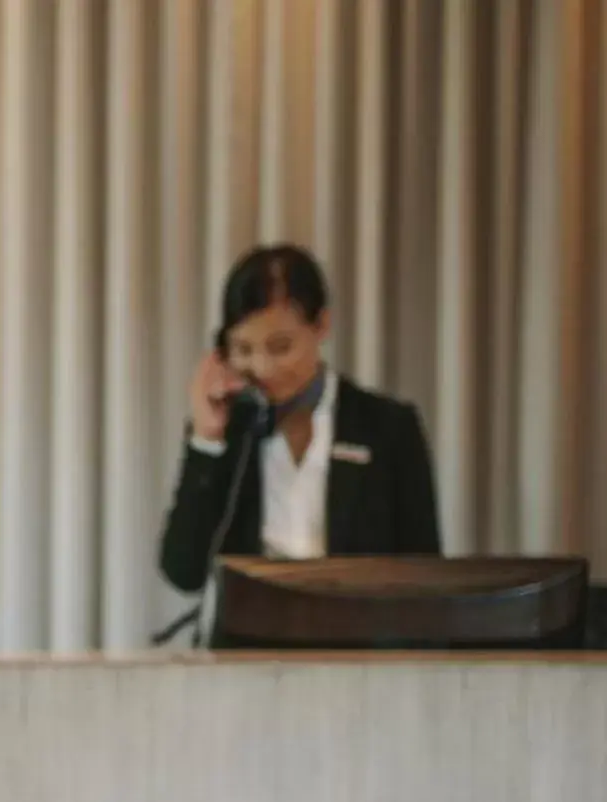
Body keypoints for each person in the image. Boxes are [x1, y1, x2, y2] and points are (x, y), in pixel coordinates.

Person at [159, 244, 442, 595]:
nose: (263, 368)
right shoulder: (228, 429)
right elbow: (183, 573)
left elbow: (425, 576)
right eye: (244, 349)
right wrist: (206, 439)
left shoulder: (388, 427)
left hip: (358, 641)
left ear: (321, 324)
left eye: (280, 347)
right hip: (247, 642)